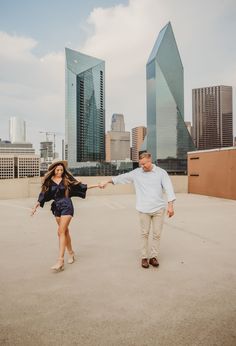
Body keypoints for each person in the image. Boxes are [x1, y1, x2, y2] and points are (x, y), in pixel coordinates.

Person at [99, 152, 176, 269]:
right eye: (141, 164)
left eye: (144, 164)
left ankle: (153, 257)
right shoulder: (137, 173)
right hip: (143, 209)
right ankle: (144, 258)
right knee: (144, 234)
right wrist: (107, 181)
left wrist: (170, 206)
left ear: (150, 160)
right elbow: (122, 178)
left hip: (159, 209)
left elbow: (169, 189)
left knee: (157, 234)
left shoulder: (161, 173)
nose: (142, 166)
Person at [31, 160, 99, 272]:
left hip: (67, 206)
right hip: (56, 208)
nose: (60, 172)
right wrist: (36, 205)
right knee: (65, 231)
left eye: (61, 170)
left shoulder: (67, 180)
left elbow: (81, 186)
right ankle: (71, 253)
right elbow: (43, 195)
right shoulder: (49, 182)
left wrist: (97, 185)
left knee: (60, 232)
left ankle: (60, 260)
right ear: (53, 170)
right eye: (57, 170)